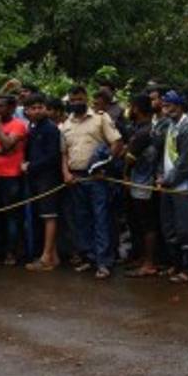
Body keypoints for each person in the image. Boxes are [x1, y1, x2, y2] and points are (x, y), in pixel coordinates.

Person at [60, 85, 122, 278]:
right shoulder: (65, 125)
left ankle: (104, 262)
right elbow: (63, 153)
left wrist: (104, 166)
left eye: (79, 99)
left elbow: (116, 143)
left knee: (101, 219)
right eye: (72, 100)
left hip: (97, 178)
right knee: (82, 219)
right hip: (76, 178)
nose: (76, 103)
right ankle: (90, 258)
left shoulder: (100, 118)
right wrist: (66, 173)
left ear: (86, 98)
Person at [155, 91, 188, 283]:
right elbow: (165, 154)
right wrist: (160, 174)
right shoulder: (170, 126)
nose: (166, 108)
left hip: (183, 186)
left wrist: (168, 179)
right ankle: (175, 265)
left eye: (169, 105)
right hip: (168, 185)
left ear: (179, 105)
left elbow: (186, 162)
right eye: (164, 105)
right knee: (169, 228)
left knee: (186, 229)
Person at [0, 95, 28, 269]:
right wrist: (2, 150)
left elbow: (9, 144)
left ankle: (11, 252)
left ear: (11, 108)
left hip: (12, 176)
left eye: (1, 107)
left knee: (12, 216)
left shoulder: (18, 125)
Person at [122, 94, 161, 279]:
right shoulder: (146, 128)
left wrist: (125, 176)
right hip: (141, 182)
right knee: (139, 222)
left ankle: (149, 263)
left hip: (143, 183)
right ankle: (143, 257)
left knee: (147, 223)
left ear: (136, 108)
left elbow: (129, 158)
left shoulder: (144, 132)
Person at [23, 95, 64, 272]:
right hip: (37, 178)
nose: (38, 110)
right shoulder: (33, 127)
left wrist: (30, 165)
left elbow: (53, 156)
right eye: (34, 107)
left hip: (49, 178)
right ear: (26, 110)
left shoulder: (50, 129)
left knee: (49, 216)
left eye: (41, 107)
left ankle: (46, 257)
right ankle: (53, 256)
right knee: (44, 215)